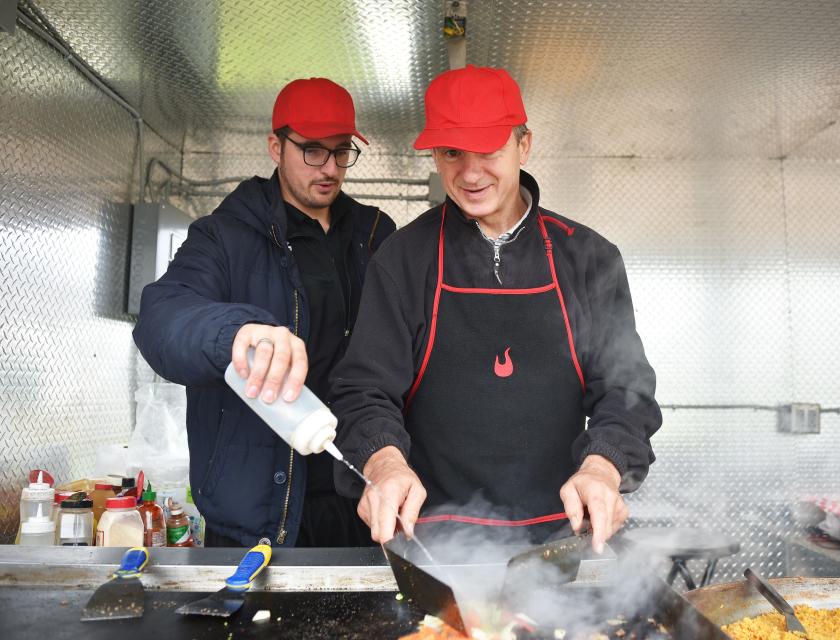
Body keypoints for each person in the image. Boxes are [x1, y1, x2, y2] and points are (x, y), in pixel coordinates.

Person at [329, 65, 661, 553]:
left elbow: (626, 389)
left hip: (561, 544)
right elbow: (364, 390)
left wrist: (603, 466)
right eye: (451, 153)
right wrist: (384, 464)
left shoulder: (588, 257)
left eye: (488, 149)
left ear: (524, 145)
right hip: (431, 547)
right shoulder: (404, 259)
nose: (469, 172)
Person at [133, 78, 396, 547]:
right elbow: (161, 319)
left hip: (357, 509)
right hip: (254, 523)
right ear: (276, 146)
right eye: (313, 151)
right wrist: (237, 332)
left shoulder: (374, 237)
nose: (331, 168)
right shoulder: (224, 237)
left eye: (342, 151)